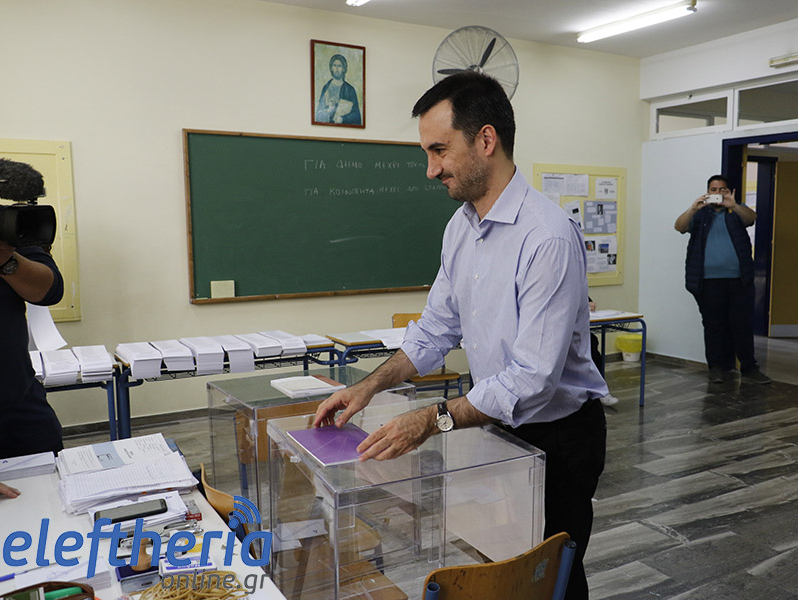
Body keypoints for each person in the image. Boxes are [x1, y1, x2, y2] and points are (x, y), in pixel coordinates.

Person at [314, 72, 608, 600]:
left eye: (439, 150)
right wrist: (368, 387)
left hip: (559, 436)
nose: (431, 170)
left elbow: (533, 379)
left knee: (550, 576)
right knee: (504, 558)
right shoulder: (461, 228)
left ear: (486, 140)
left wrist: (432, 419)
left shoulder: (547, 237)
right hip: (497, 424)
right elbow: (434, 329)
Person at [674, 175, 771, 385]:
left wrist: (733, 205)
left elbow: (751, 218)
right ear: (708, 192)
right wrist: (693, 208)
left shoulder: (736, 211)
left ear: (728, 191)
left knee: (742, 325)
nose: (717, 193)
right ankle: (716, 368)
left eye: (722, 189)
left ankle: (749, 368)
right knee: (713, 326)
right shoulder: (700, 213)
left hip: (739, 281)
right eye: (713, 189)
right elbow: (679, 227)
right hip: (707, 282)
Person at [0, 238, 65, 460]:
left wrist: (6, 261)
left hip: (20, 404)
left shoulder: (1, 233)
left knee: (52, 472)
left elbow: (50, 290)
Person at [315, 54, 362, 125]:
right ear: (331, 68)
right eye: (334, 65)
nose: (336, 69)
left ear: (344, 69)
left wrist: (343, 119)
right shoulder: (326, 88)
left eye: (339, 66)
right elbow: (318, 115)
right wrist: (327, 112)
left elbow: (357, 116)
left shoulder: (350, 90)